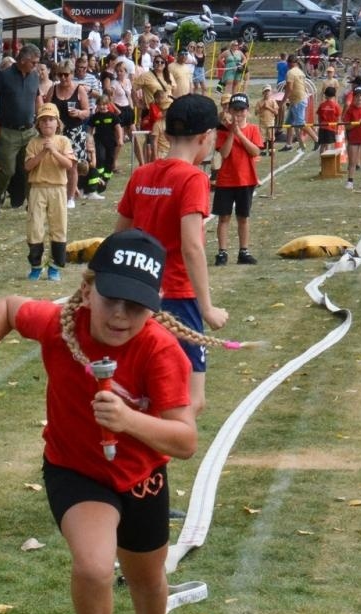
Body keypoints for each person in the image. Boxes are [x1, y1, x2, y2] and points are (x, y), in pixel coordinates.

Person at [0, 229, 199, 614]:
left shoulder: (161, 351)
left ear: (155, 306)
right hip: (76, 468)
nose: (121, 315)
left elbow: (184, 440)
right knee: (92, 564)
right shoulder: (62, 325)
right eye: (111, 300)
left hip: (141, 475)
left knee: (148, 578)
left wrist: (130, 420)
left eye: (137, 306)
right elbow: (6, 308)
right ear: (87, 291)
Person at [115, 93, 228, 415]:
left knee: (144, 386)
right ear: (206, 138)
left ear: (164, 133)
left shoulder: (142, 175)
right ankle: (152, 455)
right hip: (178, 297)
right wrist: (206, 308)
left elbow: (119, 236)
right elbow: (191, 244)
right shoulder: (193, 178)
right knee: (191, 399)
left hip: (139, 293)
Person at [0, 43, 42, 219]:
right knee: (8, 171)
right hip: (8, 131)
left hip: (29, 130)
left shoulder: (34, 76)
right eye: (33, 62)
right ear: (23, 60)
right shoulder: (4, 76)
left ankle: (31, 204)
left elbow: (37, 98)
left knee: (30, 168)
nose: (36, 65)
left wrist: (40, 119)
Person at [23, 104, 73, 281]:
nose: (47, 124)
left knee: (58, 227)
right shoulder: (33, 143)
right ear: (38, 125)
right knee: (35, 227)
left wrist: (54, 150)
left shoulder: (63, 141)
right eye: (43, 120)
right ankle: (36, 266)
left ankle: (55, 267)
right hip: (37, 188)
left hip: (58, 188)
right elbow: (28, 166)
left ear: (57, 123)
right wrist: (43, 151)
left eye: (51, 120)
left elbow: (68, 165)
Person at [213, 93, 263, 266]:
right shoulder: (222, 131)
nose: (239, 114)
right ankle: (222, 252)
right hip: (226, 180)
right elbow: (224, 153)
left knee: (243, 217)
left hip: (246, 179)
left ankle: (244, 251)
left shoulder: (253, 129)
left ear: (247, 111)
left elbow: (255, 151)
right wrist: (231, 133)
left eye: (242, 110)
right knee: (224, 217)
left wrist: (240, 134)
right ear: (230, 111)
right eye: (235, 110)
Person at [45, 62, 91, 211]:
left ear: (72, 74)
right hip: (58, 133)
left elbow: (87, 111)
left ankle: (70, 197)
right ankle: (59, 195)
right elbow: (47, 109)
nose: (63, 78)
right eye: (60, 75)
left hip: (75, 132)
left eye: (66, 74)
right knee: (56, 164)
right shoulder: (53, 89)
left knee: (72, 166)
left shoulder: (79, 89)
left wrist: (78, 113)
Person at [283, 55, 311, 149]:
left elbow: (289, 89)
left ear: (289, 63)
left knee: (300, 123)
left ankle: (316, 139)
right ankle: (289, 144)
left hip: (298, 100)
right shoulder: (300, 71)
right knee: (289, 123)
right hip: (299, 98)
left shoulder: (290, 73)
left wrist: (283, 101)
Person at [315, 84, 341, 149]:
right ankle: (327, 158)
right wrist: (337, 129)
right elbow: (338, 118)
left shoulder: (322, 105)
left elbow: (319, 117)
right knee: (328, 145)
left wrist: (320, 125)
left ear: (325, 95)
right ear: (334, 96)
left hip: (322, 127)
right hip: (331, 128)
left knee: (322, 145)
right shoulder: (336, 106)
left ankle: (322, 158)